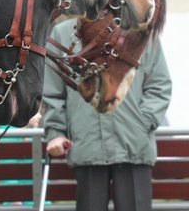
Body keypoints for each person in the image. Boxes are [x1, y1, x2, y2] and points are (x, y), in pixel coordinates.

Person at [42, 17, 172, 211]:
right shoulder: (63, 33)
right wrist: (56, 132)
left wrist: (142, 124)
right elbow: (52, 91)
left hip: (133, 146)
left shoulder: (140, 29)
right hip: (87, 144)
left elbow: (159, 85)